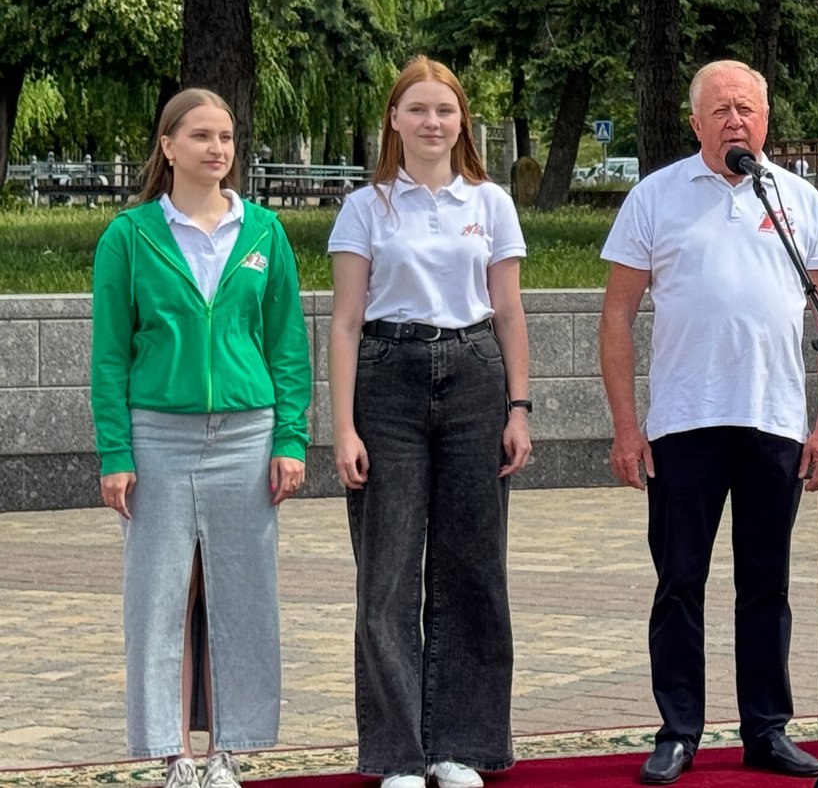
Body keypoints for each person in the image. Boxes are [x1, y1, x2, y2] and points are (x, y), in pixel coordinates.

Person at [599, 60, 818, 785]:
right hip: (684, 422)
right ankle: (679, 729)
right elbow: (616, 315)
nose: (736, 120)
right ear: (695, 121)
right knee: (680, 579)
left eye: (747, 108)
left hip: (773, 418)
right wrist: (624, 426)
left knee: (766, 584)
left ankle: (766, 729)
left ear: (767, 119)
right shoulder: (656, 196)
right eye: (721, 109)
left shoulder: (797, 197)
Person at [91, 88, 312, 788]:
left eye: (226, 136)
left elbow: (286, 346)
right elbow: (109, 356)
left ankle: (226, 752)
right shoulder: (129, 237)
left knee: (239, 598)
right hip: (158, 436)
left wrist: (292, 439)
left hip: (247, 439)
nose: (217, 149)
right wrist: (116, 451)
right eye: (201, 136)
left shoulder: (263, 233)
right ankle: (171, 755)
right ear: (167, 146)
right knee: (162, 599)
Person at [329, 58, 534, 788]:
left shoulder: (491, 202)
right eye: (416, 109)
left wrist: (518, 407)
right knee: (386, 576)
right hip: (389, 382)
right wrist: (344, 426)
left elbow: (508, 310)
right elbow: (347, 323)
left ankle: (462, 744)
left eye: (444, 111)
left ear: (462, 122)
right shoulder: (366, 207)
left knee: (473, 568)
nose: (431, 123)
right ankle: (398, 754)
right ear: (394, 120)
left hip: (476, 378)